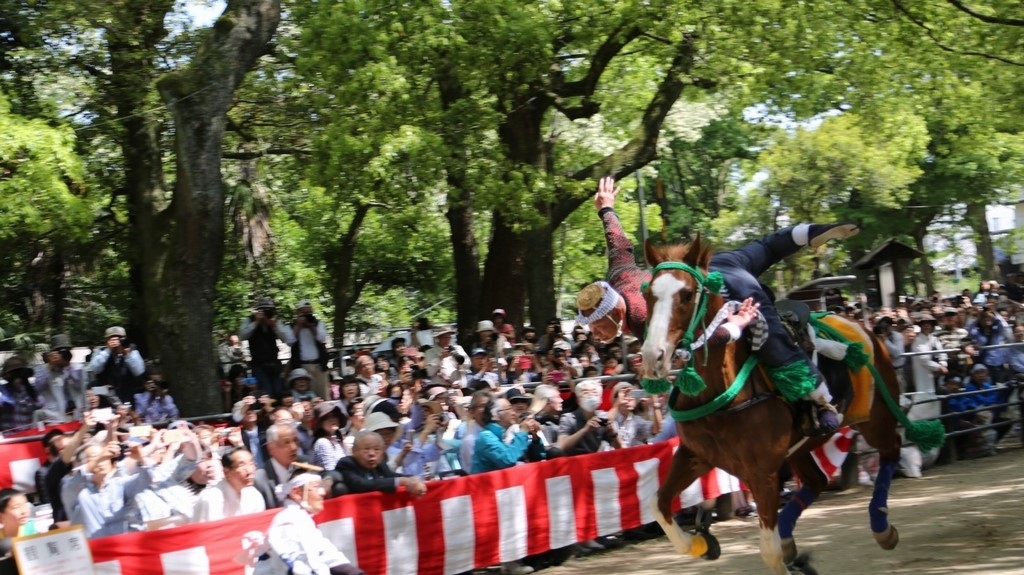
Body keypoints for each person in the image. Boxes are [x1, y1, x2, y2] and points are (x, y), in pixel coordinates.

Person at [575, 177, 859, 433]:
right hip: (704, 268)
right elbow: (618, 244)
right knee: (765, 248)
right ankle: (808, 232)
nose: (595, 335)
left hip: (728, 291)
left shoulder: (644, 319)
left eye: (597, 326)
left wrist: (735, 327)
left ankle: (821, 400)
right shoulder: (619, 276)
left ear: (616, 313)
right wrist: (606, 208)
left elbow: (699, 343)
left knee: (770, 340)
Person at [265, 468, 366, 575]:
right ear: (296, 493)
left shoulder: (302, 518)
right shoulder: (287, 522)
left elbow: (327, 554)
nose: (323, 492)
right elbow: (300, 566)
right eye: (316, 487)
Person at [334, 431, 427, 497]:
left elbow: (391, 476)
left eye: (376, 449)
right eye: (366, 449)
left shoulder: (379, 464)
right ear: (354, 451)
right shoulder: (346, 464)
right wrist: (402, 481)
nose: (372, 453)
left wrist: (412, 478)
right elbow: (361, 485)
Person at [193, 447, 267, 523]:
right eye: (242, 465)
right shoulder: (211, 498)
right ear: (226, 472)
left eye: (251, 464)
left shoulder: (254, 495)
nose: (250, 470)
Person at [240, 297, 296, 397]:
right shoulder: (250, 320)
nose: (266, 313)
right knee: (265, 393)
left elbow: (286, 339)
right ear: (258, 311)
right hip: (258, 365)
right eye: (264, 310)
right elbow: (242, 335)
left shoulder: (275, 321)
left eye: (269, 310)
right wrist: (256, 322)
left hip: (274, 363)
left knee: (279, 392)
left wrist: (274, 326)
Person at [254, 422, 313, 509]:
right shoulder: (259, 479)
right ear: (271, 448)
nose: (294, 447)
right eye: (286, 442)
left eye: (295, 441)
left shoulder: (305, 465)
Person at [32, 334, 86, 422]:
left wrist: (68, 366)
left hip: (77, 417)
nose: (63, 354)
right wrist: (50, 366)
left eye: (67, 351)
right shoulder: (42, 369)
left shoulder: (78, 368)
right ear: (52, 353)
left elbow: (80, 386)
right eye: (60, 351)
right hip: (54, 419)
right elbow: (39, 387)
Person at [89, 326, 146, 404]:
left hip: (127, 400)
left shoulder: (132, 351)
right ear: (106, 341)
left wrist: (127, 354)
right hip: (106, 402)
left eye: (119, 339)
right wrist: (108, 350)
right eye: (111, 339)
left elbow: (139, 371)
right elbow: (95, 369)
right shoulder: (100, 352)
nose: (116, 342)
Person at [291, 300, 330, 400]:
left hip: (320, 365)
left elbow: (321, 338)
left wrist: (311, 326)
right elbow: (290, 341)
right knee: (308, 397)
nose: (307, 315)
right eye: (304, 313)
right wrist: (299, 325)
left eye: (309, 313)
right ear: (298, 313)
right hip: (303, 367)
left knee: (323, 396)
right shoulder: (292, 325)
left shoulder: (318, 323)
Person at [0, 357, 44, 433]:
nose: (18, 379)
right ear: (8, 376)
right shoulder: (3, 390)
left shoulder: (31, 391)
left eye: (20, 374)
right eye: (14, 375)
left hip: (28, 434)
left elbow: (41, 406)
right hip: (8, 436)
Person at [0, 488, 33, 572]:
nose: (24, 511)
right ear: (1, 516)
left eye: (25, 505)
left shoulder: (34, 531)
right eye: (16, 507)